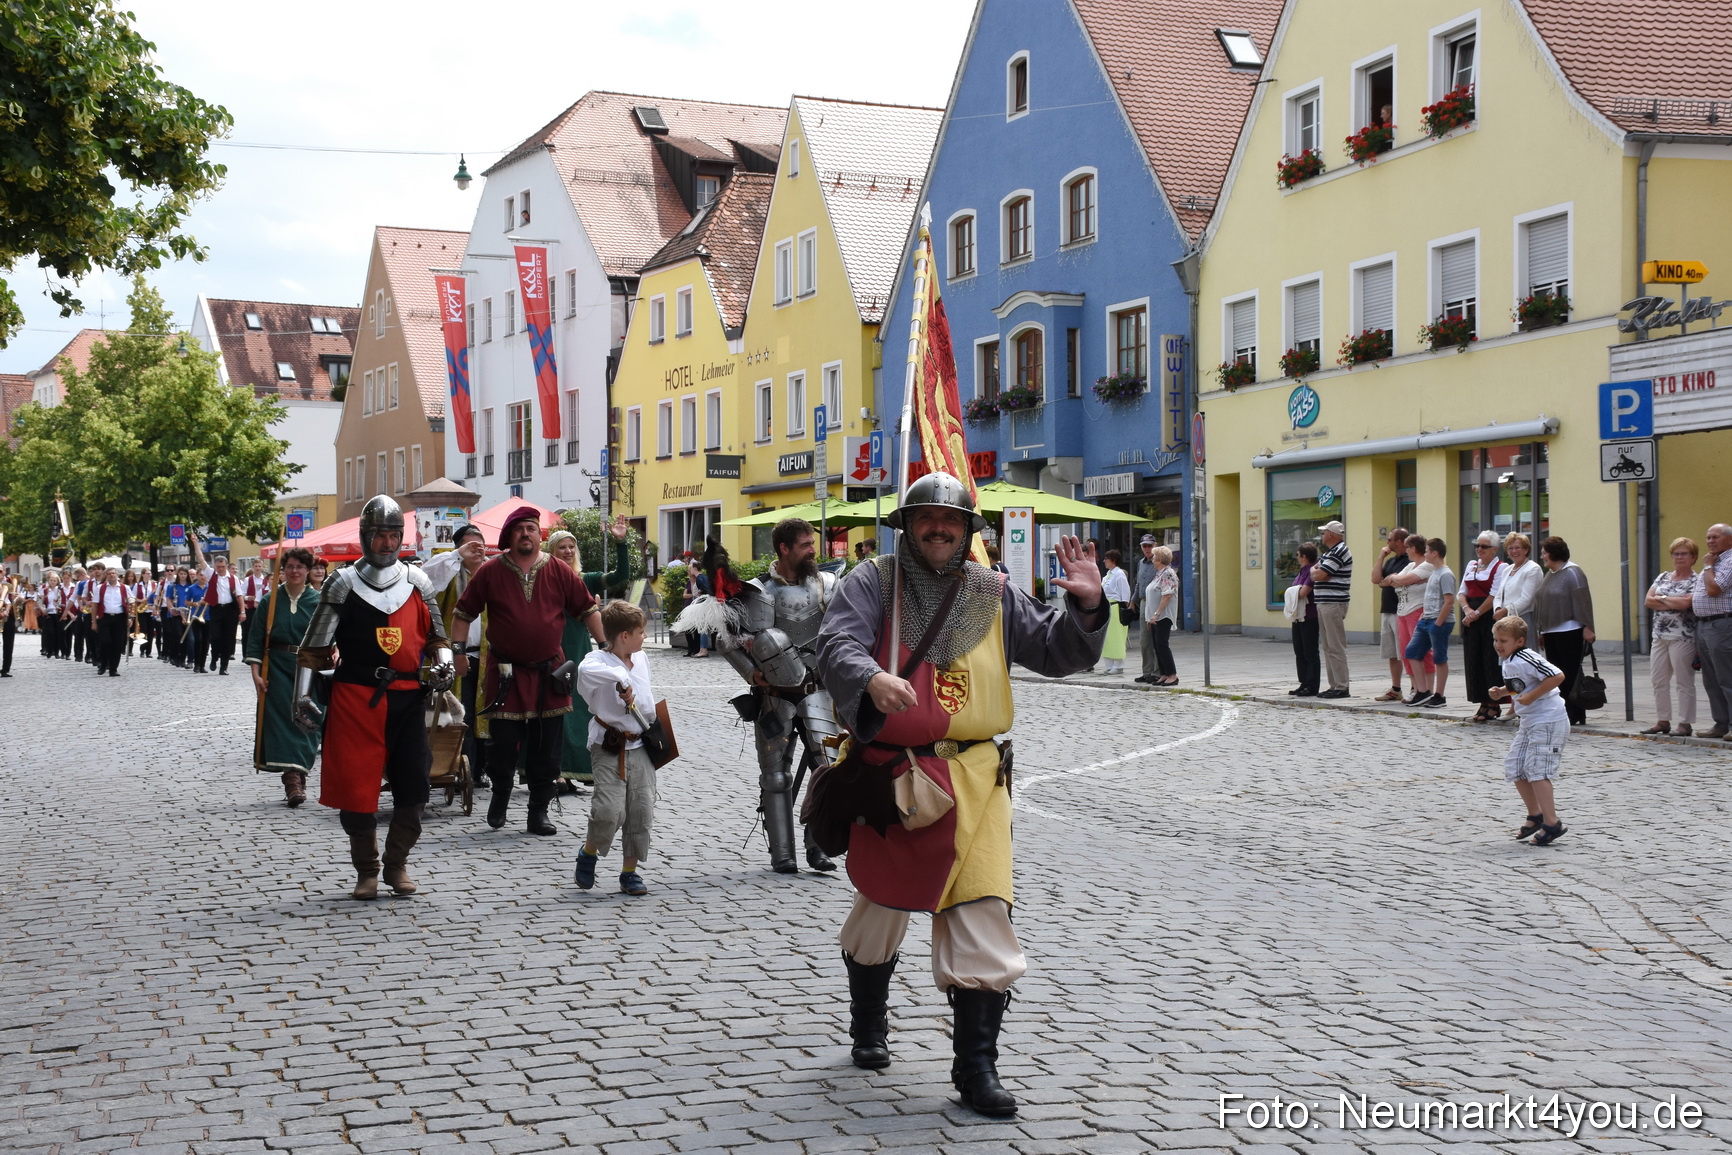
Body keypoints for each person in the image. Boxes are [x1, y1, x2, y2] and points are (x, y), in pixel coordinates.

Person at [814, 471, 1107, 1118]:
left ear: (968, 528)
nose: (939, 527)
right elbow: (835, 642)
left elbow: (1057, 649)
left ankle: (976, 1067)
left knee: (983, 913)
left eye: (952, 518)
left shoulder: (992, 590)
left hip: (976, 783)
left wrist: (1086, 609)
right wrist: (869, 677)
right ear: (908, 525)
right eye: (927, 518)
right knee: (877, 914)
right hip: (895, 779)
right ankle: (869, 1022)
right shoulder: (873, 582)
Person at [293, 496, 454, 899]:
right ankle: (367, 870)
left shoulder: (418, 582)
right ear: (366, 536)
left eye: (394, 534)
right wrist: (301, 696)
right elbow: (313, 648)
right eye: (380, 534)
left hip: (407, 698)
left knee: (415, 787)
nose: (387, 542)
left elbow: (437, 637)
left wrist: (445, 663)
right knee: (357, 789)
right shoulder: (342, 582)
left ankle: (397, 864)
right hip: (355, 698)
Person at [696, 516, 840, 874]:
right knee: (776, 777)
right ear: (784, 549)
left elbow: (843, 632)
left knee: (830, 769)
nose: (813, 550)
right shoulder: (760, 592)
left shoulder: (827, 583)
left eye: (812, 543)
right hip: (775, 694)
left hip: (818, 689)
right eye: (806, 545)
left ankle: (817, 847)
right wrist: (752, 673)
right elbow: (726, 641)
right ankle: (783, 854)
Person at [453, 507, 604, 835]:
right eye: (520, 528)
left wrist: (606, 647)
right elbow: (463, 612)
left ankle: (538, 811)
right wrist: (458, 652)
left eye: (532, 528)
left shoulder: (560, 571)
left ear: (540, 535)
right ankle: (501, 795)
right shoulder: (490, 572)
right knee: (503, 743)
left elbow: (587, 607)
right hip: (505, 671)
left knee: (546, 746)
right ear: (509, 536)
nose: (526, 533)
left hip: (550, 672)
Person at [572, 601, 659, 896]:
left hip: (642, 743)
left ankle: (629, 872)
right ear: (623, 636)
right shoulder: (596, 660)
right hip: (609, 744)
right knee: (608, 809)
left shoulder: (642, 658)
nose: (644, 636)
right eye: (640, 631)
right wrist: (620, 677)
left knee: (640, 811)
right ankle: (588, 852)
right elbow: (586, 672)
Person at [548, 517, 632, 791]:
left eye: (572, 546)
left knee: (580, 708)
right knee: (556, 710)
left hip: (579, 648)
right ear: (551, 551)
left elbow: (620, 577)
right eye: (562, 547)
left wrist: (620, 542)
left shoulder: (586, 580)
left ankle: (576, 769)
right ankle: (557, 772)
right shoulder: (544, 579)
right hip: (553, 648)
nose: (568, 551)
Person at [246, 547, 321, 805]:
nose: (294, 571)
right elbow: (255, 639)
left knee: (306, 723)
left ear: (308, 570)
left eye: (300, 567)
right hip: (276, 668)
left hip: (310, 668)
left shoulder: (319, 602)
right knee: (281, 724)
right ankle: (293, 783)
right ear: (282, 570)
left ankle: (298, 775)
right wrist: (256, 674)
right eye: (289, 566)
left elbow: (332, 637)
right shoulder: (270, 601)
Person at [1487, 615, 1569, 846]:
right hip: (1530, 721)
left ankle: (1552, 823)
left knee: (1538, 770)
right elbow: (1520, 685)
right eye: (1495, 639)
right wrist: (1502, 692)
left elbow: (1557, 675)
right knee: (1515, 766)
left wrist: (1531, 697)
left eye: (1503, 640)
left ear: (1520, 641)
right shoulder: (1510, 660)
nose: (1498, 644)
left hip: (1549, 719)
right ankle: (1536, 814)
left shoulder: (1526, 656)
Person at [423, 525, 490, 787]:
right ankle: (455, 767)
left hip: (488, 657)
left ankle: (481, 768)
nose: (476, 549)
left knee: (486, 714)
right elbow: (426, 578)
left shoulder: (493, 573)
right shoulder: (449, 573)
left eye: (479, 544)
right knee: (458, 715)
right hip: (452, 657)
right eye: (468, 545)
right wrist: (456, 556)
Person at [1531, 537, 1595, 726]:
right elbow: (1543, 602)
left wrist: (1588, 626)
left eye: (1544, 552)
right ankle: (1561, 710)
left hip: (1569, 630)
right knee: (1555, 673)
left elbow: (1583, 601)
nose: (1542, 555)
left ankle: (1575, 711)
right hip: (1551, 631)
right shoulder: (1551, 573)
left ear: (1554, 553)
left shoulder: (1573, 573)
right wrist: (1541, 630)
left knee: (1570, 673)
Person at [1642, 537, 1700, 737]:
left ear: (1693, 557)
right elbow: (1648, 601)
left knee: (1684, 681)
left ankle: (1685, 723)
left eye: (1684, 553)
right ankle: (1662, 720)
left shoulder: (1696, 580)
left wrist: (1662, 598)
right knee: (1658, 679)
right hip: (1659, 635)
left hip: (1683, 636)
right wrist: (1672, 601)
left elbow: (1686, 605)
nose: (1679, 557)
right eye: (1676, 553)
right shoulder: (1663, 577)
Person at [1460, 530, 1508, 722]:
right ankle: (1481, 700)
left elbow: (1494, 594)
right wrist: (1467, 610)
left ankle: (1494, 704)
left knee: (1490, 660)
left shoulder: (1500, 567)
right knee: (1474, 660)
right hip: (1470, 616)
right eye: (1477, 545)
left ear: (1495, 549)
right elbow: (1462, 591)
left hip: (1488, 617)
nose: (1479, 549)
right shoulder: (1471, 565)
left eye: (1484, 546)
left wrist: (1477, 613)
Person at [1404, 538, 1455, 709]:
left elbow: (1448, 601)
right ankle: (1423, 691)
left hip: (1439, 621)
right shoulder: (1434, 572)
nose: (1424, 554)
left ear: (1435, 553)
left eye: (1426, 551)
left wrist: (1438, 623)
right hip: (1426, 620)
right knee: (1411, 652)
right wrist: (1424, 616)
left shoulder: (1446, 574)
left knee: (1439, 658)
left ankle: (1440, 695)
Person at [1692, 523, 1732, 741]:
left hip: (1722, 625)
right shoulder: (1714, 560)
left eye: (1715, 537)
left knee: (1727, 677)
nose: (1710, 541)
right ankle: (1720, 723)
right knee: (1711, 679)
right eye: (1708, 537)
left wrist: (1707, 567)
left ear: (1730, 540)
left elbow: (1714, 589)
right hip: (1704, 625)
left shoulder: (1728, 561)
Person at [1389, 535, 1435, 703]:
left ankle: (1428, 688)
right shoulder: (1410, 565)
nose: (1406, 551)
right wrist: (1398, 580)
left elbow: (1403, 580)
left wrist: (1400, 580)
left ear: (1414, 548)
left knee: (1422, 651)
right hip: (1402, 612)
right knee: (1406, 652)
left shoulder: (1427, 566)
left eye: (1407, 547)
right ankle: (1416, 688)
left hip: (1418, 610)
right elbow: (1389, 581)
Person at [1367, 528, 1411, 702]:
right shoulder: (1392, 561)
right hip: (1387, 610)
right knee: (1392, 652)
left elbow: (1394, 580)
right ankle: (1396, 688)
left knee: (1405, 651)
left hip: (1401, 610)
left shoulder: (1410, 561)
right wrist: (1381, 556)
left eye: (1390, 539)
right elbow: (1376, 579)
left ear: (1399, 542)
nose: (1387, 542)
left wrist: (1389, 581)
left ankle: (1416, 687)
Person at [1311, 520, 1353, 698]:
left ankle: (1342, 686)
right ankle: (1334, 684)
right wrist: (1317, 573)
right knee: (1328, 646)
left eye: (1324, 532)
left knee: (1335, 646)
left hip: (1333, 603)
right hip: (1325, 602)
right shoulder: (1330, 553)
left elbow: (1318, 574)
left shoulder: (1339, 551)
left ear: (1331, 534)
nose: (1322, 535)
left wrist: (1318, 573)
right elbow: (1315, 573)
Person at [193, 546, 246, 675]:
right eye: (218, 567)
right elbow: (201, 559)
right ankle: (214, 656)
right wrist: (195, 543)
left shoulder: (233, 579)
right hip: (216, 609)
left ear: (226, 566)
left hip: (230, 610)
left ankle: (224, 666)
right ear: (215, 566)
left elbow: (239, 595)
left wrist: (242, 611)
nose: (220, 569)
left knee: (228, 639)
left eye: (222, 566)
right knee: (215, 637)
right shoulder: (211, 574)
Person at [1287, 542, 1320, 696]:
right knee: (1299, 650)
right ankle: (1304, 682)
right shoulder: (1302, 571)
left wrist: (1291, 592)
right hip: (1298, 616)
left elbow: (1303, 592)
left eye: (1298, 554)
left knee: (1309, 651)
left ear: (1304, 556)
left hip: (1309, 616)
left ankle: (1312, 684)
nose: (1297, 557)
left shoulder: (1311, 571)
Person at [1144, 544, 1179, 686]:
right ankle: (1164, 673)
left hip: (1163, 616)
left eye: (1154, 558)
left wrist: (1156, 614)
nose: (1152, 560)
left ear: (1159, 559)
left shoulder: (1168, 573)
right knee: (1157, 645)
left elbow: (1167, 596)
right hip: (1155, 617)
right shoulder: (1159, 574)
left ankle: (1172, 674)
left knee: (1162, 644)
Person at [89, 566, 131, 676]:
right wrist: (93, 622)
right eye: (109, 574)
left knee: (117, 644)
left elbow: (131, 604)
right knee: (104, 642)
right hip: (104, 618)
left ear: (117, 575)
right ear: (106, 576)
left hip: (120, 618)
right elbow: (94, 605)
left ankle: (113, 668)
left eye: (114, 573)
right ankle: (103, 664)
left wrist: (130, 618)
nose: (112, 575)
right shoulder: (100, 588)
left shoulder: (125, 588)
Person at [1098, 549, 1131, 675]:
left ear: (1114, 560)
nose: (1104, 561)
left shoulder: (1119, 574)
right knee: (1107, 637)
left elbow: (1125, 593)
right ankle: (1109, 664)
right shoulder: (1107, 575)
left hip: (1116, 607)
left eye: (1107, 558)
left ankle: (1118, 665)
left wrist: (1124, 608)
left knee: (1116, 636)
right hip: (1106, 607)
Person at [1131, 535, 1158, 684]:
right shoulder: (1141, 563)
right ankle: (1146, 672)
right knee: (1144, 640)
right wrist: (1133, 599)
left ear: (1155, 545)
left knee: (1156, 639)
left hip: (1155, 603)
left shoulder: (1159, 562)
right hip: (1143, 602)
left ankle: (1157, 671)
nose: (1147, 549)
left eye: (1149, 546)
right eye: (1144, 546)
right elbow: (1138, 583)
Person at [182, 566, 210, 673]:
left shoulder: (210, 587)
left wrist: (207, 602)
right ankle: (196, 664)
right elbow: (187, 602)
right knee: (198, 640)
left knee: (206, 641)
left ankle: (202, 665)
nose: (203, 577)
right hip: (196, 616)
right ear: (197, 576)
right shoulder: (192, 588)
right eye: (201, 575)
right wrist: (195, 603)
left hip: (208, 616)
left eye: (205, 575)